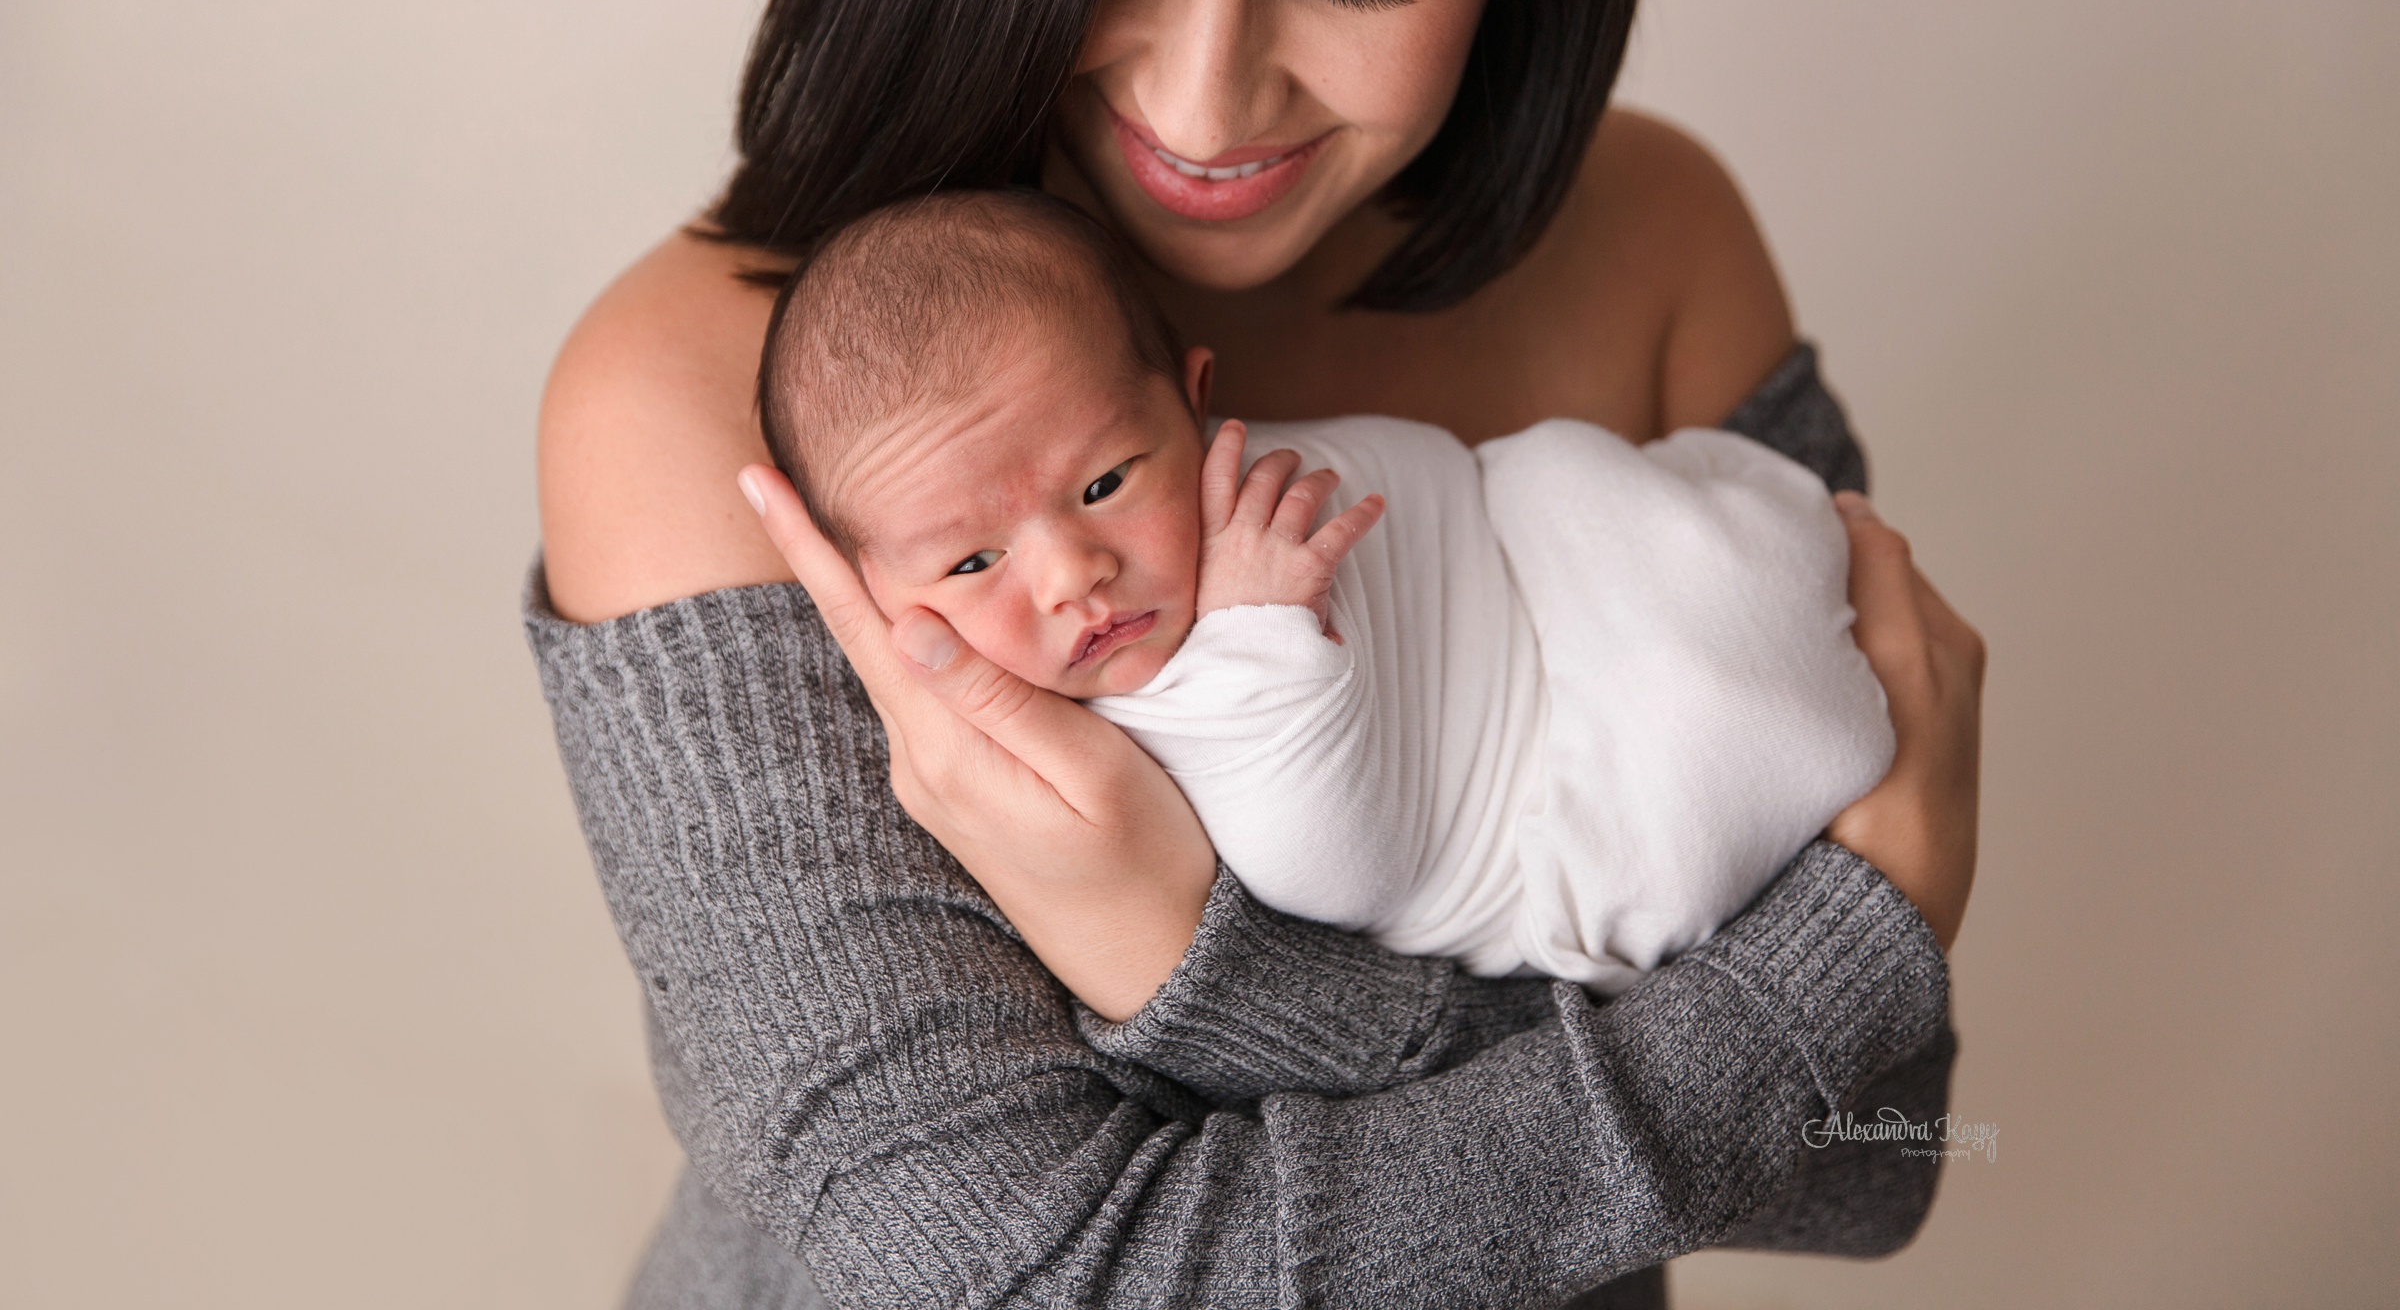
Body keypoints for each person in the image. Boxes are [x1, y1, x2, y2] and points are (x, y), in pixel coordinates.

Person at [531, 0, 1985, 1304]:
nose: (1206, 103)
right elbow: (1007, 1277)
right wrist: (1833, 954)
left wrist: (1182, 956)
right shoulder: (721, 405)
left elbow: (1871, 1153)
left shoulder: (1654, 245)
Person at [755, 188, 1894, 995]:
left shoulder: (1220, 488)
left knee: (1568, 476)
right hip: (1555, 826)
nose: (1072, 574)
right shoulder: (1056, 747)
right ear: (863, 596)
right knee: (1672, 821)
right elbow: (1341, 871)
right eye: (969, 564)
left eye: (1106, 481)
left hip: (1569, 570)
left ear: (1193, 402)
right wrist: (1262, 639)